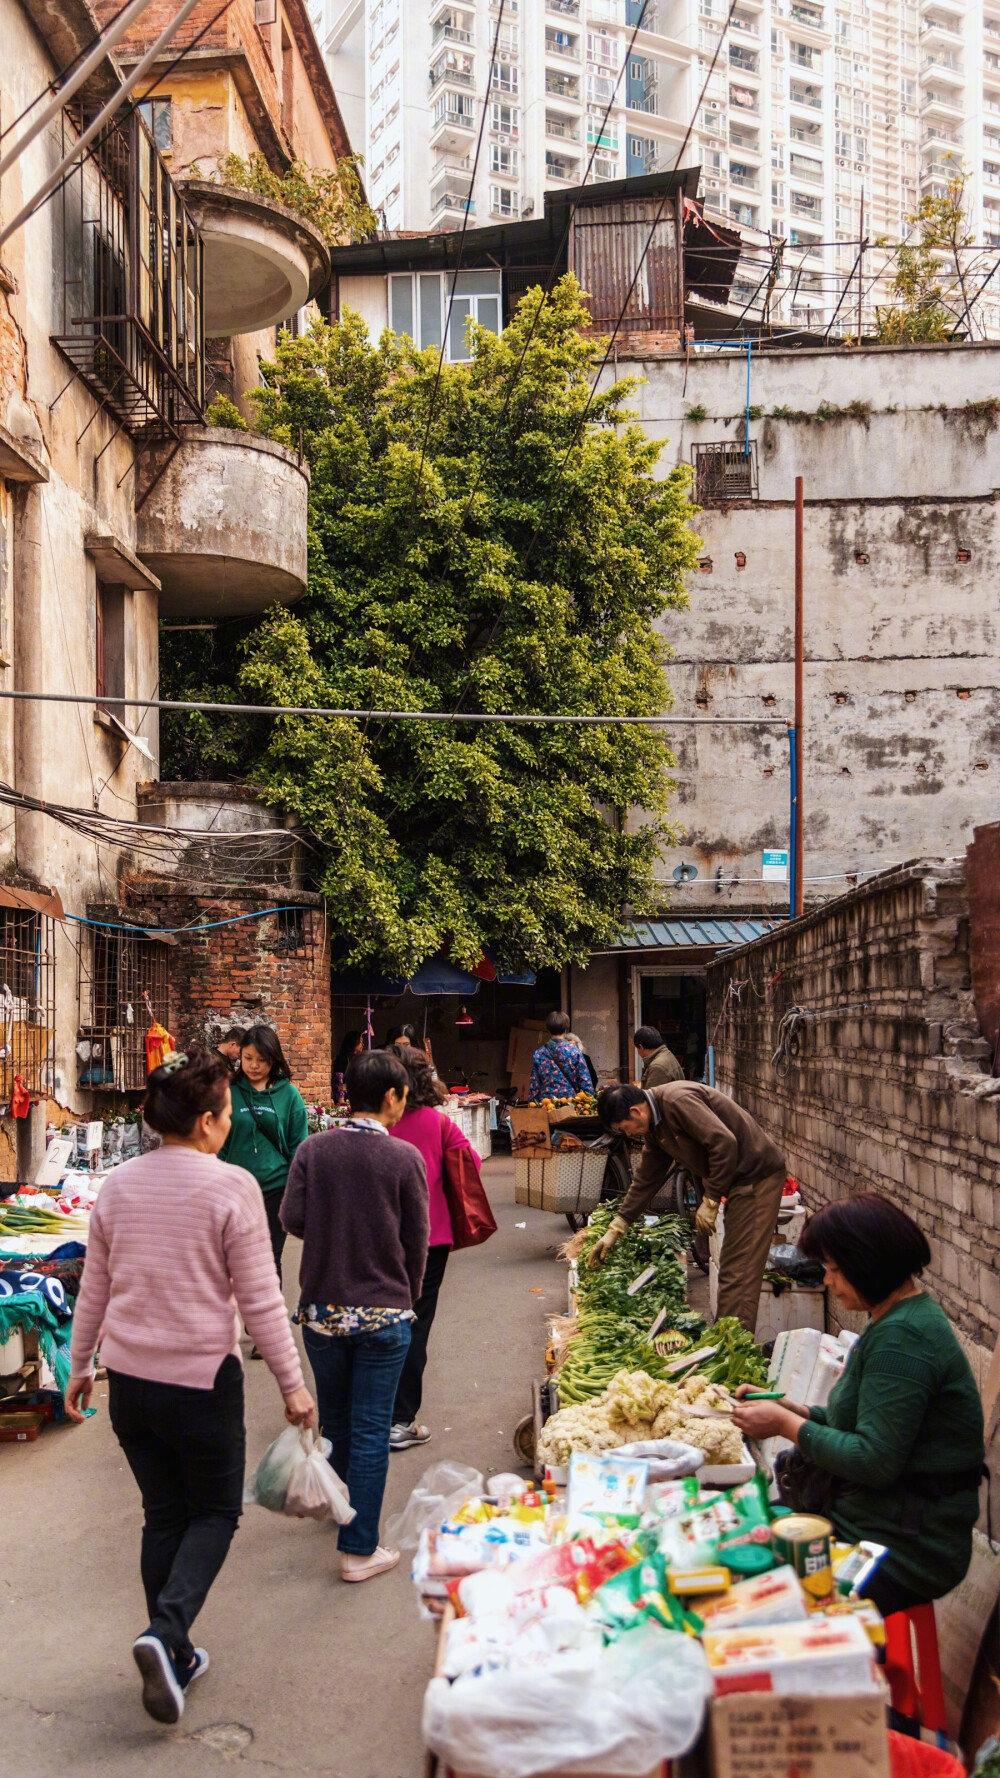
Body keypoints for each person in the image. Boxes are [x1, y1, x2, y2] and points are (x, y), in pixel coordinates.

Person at [64, 1048, 315, 1726]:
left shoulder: (118, 1185)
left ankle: (171, 1656)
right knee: (213, 1514)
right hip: (202, 1382)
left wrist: (80, 1364)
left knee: (164, 1516)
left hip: (131, 1386)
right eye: (227, 1114)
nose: (231, 1124)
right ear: (205, 1122)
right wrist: (294, 1387)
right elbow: (261, 1301)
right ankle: (166, 1630)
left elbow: (96, 1286)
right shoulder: (230, 1187)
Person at [733, 1193, 984, 1617]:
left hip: (904, 1546)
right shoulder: (890, 1319)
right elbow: (862, 1422)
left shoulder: (905, 1339)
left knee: (747, 1577)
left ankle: (851, 1667)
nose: (827, 1281)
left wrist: (784, 1426)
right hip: (870, 1513)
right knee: (742, 1527)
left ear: (868, 1263)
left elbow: (874, 1459)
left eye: (833, 1270)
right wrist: (795, 1410)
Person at [280, 1049, 428, 1582]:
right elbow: (418, 1241)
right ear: (391, 1097)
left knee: (338, 1421)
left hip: (322, 1311)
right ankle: (358, 1548)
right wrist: (406, 1295)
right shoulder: (405, 1159)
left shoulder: (313, 1151)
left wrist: (332, 1233)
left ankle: (342, 1508)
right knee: (369, 1429)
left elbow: (293, 1217)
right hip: (384, 1314)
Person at [594, 1080, 786, 1332]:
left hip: (756, 1177)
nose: (628, 1134)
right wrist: (618, 1225)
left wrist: (711, 1199)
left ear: (635, 1112)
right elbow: (647, 1177)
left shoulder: (676, 1101)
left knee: (739, 1271)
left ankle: (734, 1351)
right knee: (732, 1268)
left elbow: (723, 1142)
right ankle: (726, 1340)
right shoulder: (655, 1126)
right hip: (738, 1182)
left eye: (624, 1128)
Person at [385, 1042, 481, 1451]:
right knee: (415, 1324)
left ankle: (370, 1411)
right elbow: (471, 1164)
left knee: (378, 1319)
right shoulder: (439, 1125)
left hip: (379, 1238)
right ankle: (401, 1419)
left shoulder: (377, 1122)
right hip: (429, 1240)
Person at [219, 1025, 308, 1289]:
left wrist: (296, 1188)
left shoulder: (289, 1095)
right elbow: (219, 1140)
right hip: (236, 1188)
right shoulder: (229, 1092)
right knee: (238, 1256)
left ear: (274, 1059)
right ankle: (248, 1309)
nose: (254, 1066)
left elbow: (298, 1145)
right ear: (240, 1056)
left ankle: (266, 1323)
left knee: (270, 1257)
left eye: (262, 1060)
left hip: (276, 1188)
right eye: (248, 1058)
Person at [528, 1011, 594, 1101]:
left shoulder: (539, 1054)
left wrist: (533, 1106)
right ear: (566, 1030)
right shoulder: (574, 1052)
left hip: (547, 1106)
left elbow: (534, 1086)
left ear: (548, 1030)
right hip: (570, 1105)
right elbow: (586, 1083)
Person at [633, 1025, 684, 1089]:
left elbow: (652, 1097)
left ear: (641, 1047)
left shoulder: (657, 1067)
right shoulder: (666, 1054)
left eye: (636, 1048)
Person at [332, 1029, 363, 1104]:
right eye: (360, 1042)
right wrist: (341, 1098)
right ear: (354, 1042)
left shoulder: (359, 1058)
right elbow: (338, 1079)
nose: (362, 1044)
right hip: (345, 1098)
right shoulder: (342, 1059)